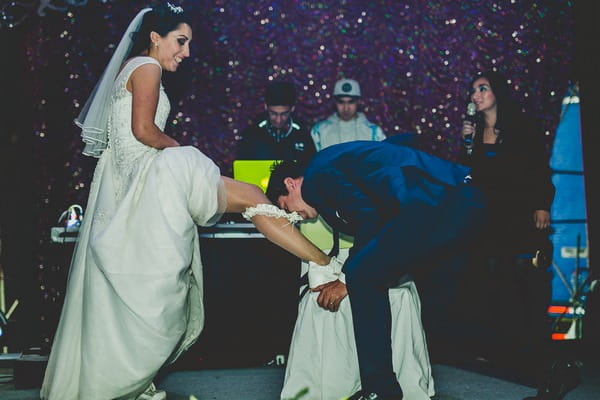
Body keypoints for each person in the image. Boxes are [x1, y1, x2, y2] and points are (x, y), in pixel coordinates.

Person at [40, 4, 332, 400]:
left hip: (140, 180)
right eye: (181, 41)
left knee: (250, 198)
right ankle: (325, 265)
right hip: (155, 174)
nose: (186, 52)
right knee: (252, 197)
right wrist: (181, 152)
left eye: (189, 43)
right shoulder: (147, 67)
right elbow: (143, 131)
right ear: (155, 37)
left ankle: (320, 264)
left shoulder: (132, 67)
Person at [266, 137, 486, 400]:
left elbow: (370, 216)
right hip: (453, 199)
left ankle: (381, 390)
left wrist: (345, 279)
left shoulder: (316, 178)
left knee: (361, 277)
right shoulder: (333, 165)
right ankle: (383, 387)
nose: (292, 214)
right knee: (369, 274)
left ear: (290, 184)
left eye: (284, 206)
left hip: (435, 203)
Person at [457, 70, 578, 400]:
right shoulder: (476, 131)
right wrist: (466, 143)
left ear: (497, 93)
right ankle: (500, 353)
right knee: (493, 285)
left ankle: (533, 356)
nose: (475, 95)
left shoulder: (521, 128)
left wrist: (542, 205)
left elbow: (538, 168)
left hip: (522, 218)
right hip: (490, 221)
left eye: (482, 88)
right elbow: (469, 175)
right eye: (473, 90)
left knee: (525, 285)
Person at [236, 81, 316, 163]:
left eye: (284, 114)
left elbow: (313, 170)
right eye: (273, 113)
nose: (278, 120)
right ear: (266, 107)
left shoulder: (303, 135)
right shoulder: (251, 134)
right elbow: (242, 168)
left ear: (292, 108)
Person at [310, 78, 386, 151]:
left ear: (358, 102)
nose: (346, 108)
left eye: (351, 102)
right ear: (335, 102)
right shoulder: (320, 131)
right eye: (341, 102)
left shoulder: (374, 132)